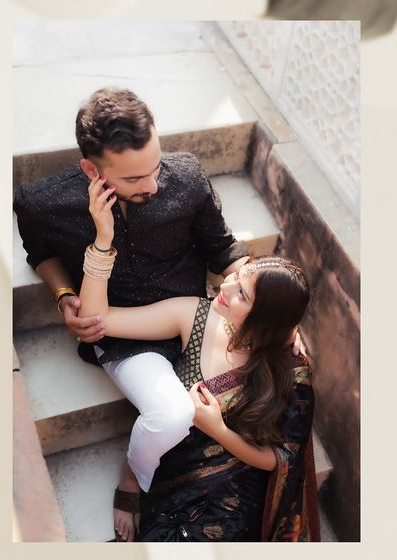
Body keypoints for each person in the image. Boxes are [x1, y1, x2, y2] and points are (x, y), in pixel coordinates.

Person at [14, 87, 301, 541]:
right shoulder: (42, 202)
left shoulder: (185, 177)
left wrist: (268, 311)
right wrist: (63, 292)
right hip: (127, 332)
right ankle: (132, 480)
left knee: (281, 395)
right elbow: (41, 252)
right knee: (169, 415)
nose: (152, 184)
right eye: (132, 179)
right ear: (92, 169)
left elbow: (223, 250)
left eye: (154, 167)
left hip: (195, 319)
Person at [78, 176, 320, 542]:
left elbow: (282, 460)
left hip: (240, 484)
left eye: (241, 294)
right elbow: (98, 320)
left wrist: (218, 430)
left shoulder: (290, 368)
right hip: (178, 473)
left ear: (265, 319)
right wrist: (102, 243)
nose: (224, 288)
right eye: (236, 278)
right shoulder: (195, 315)